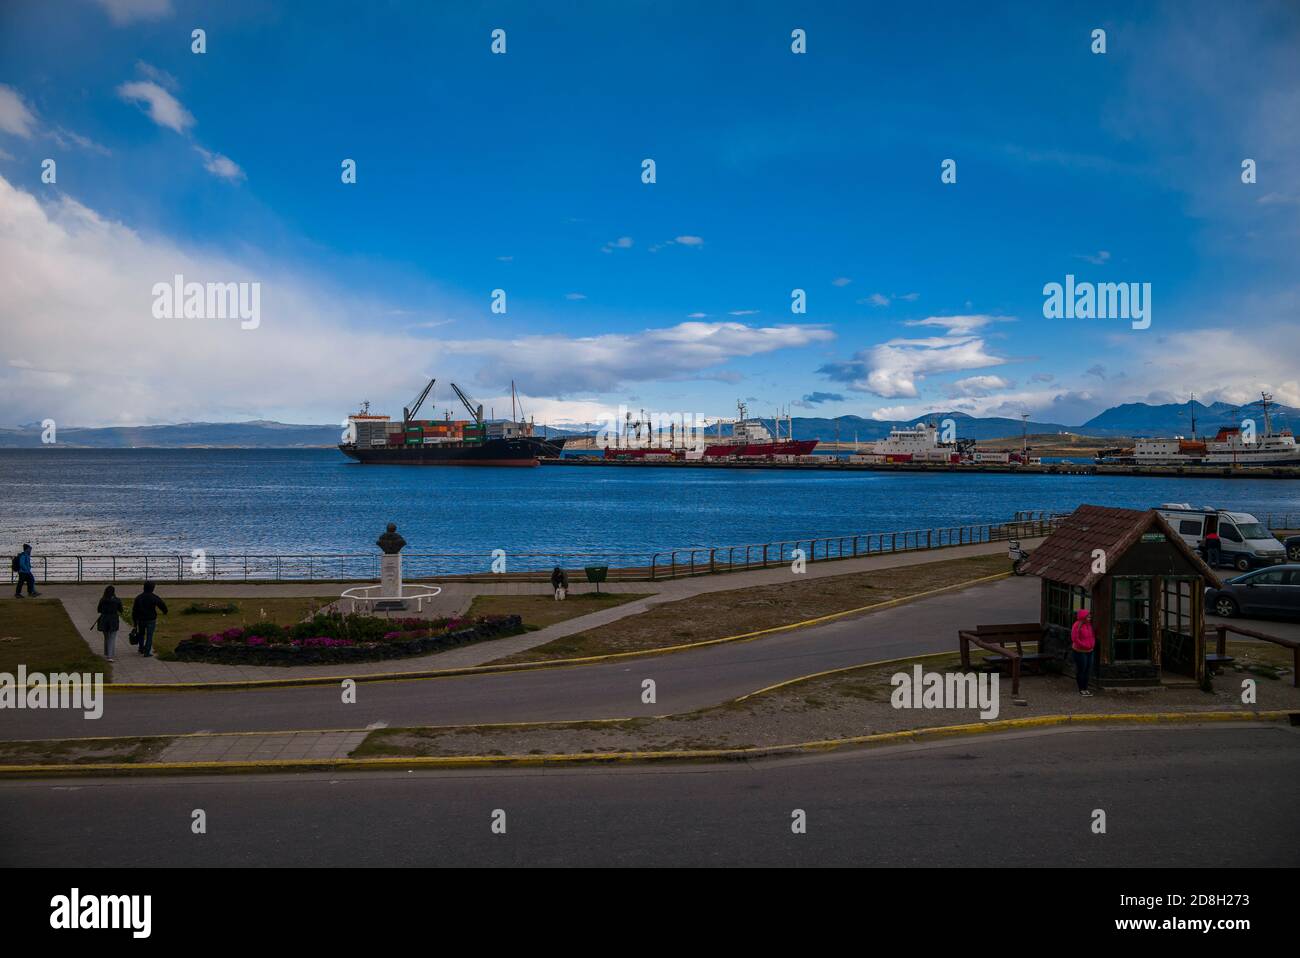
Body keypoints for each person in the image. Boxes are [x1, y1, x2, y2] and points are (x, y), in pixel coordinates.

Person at [130, 582, 168, 658]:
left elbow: (134, 610)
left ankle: (141, 648)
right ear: (152, 588)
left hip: (141, 619)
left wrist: (134, 621)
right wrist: (165, 611)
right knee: (149, 635)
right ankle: (147, 652)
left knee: (141, 634)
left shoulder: (139, 597)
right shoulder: (154, 597)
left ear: (144, 587)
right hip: (151, 619)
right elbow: (161, 604)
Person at [94, 585, 124, 662]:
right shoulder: (117, 600)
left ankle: (107, 652)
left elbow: (99, 609)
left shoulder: (102, 600)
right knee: (112, 637)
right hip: (113, 620)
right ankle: (110, 656)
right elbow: (121, 610)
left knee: (106, 637)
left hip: (104, 619)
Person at [1070, 608, 1095, 697]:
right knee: (1082, 670)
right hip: (1080, 651)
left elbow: (1092, 636)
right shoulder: (1077, 625)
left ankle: (1086, 688)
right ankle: (1081, 689)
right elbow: (1074, 638)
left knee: (1088, 670)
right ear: (1083, 617)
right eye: (1088, 616)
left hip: (1090, 650)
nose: (1090, 618)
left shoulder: (1089, 625)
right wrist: (1083, 645)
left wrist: (1092, 644)